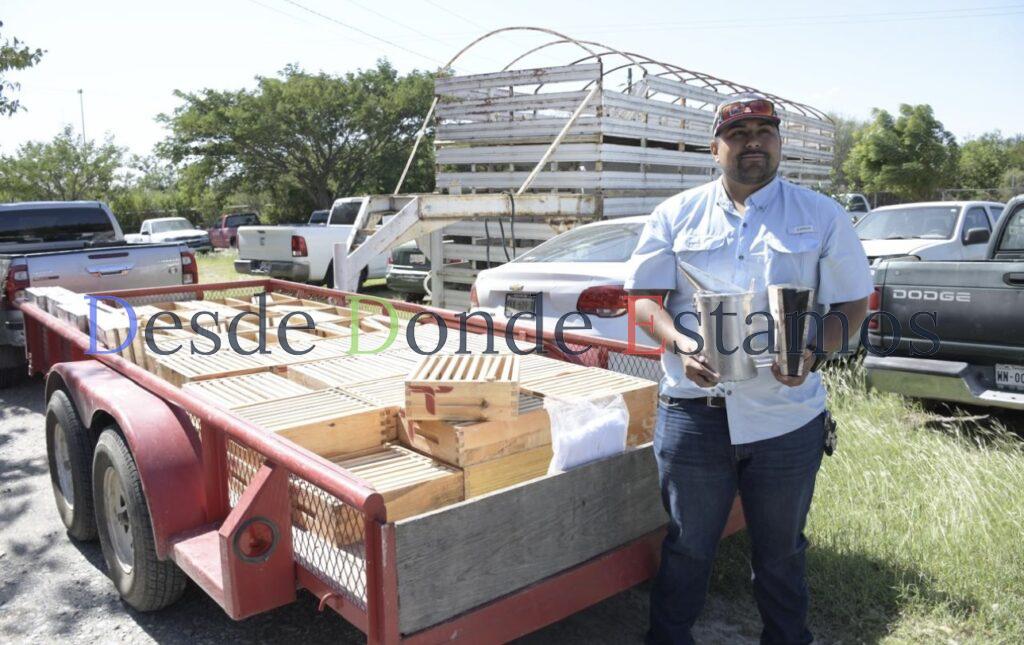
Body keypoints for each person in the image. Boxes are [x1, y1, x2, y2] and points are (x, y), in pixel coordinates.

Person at [625, 94, 872, 644]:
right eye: (738, 134)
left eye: (765, 132)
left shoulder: (820, 215)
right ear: (715, 149)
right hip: (694, 416)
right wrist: (681, 344)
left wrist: (815, 352)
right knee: (687, 546)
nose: (753, 142)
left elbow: (854, 305)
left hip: (786, 417)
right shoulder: (675, 214)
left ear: (779, 145)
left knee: (782, 552)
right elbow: (643, 301)